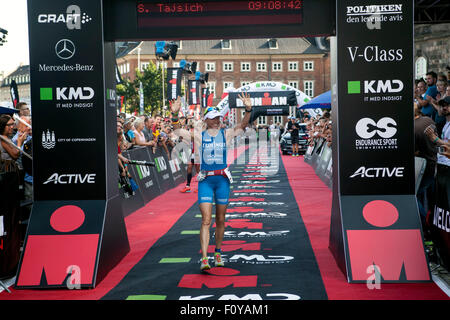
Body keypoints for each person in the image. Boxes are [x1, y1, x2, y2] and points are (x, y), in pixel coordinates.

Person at [170, 92, 253, 272]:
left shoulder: (227, 133)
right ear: (206, 120)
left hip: (222, 180)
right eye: (212, 118)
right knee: (206, 220)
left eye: (217, 117)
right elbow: (178, 131)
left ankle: (218, 252)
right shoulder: (199, 135)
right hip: (206, 181)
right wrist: (175, 115)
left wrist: (248, 109)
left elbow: (244, 125)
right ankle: (205, 258)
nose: (216, 121)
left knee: (221, 219)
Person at [414, 103, 437, 227]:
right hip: (434, 163)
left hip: (423, 167)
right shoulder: (429, 120)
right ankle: (430, 224)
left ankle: (424, 224)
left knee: (413, 196)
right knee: (430, 198)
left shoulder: (412, 128)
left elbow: (415, 151)